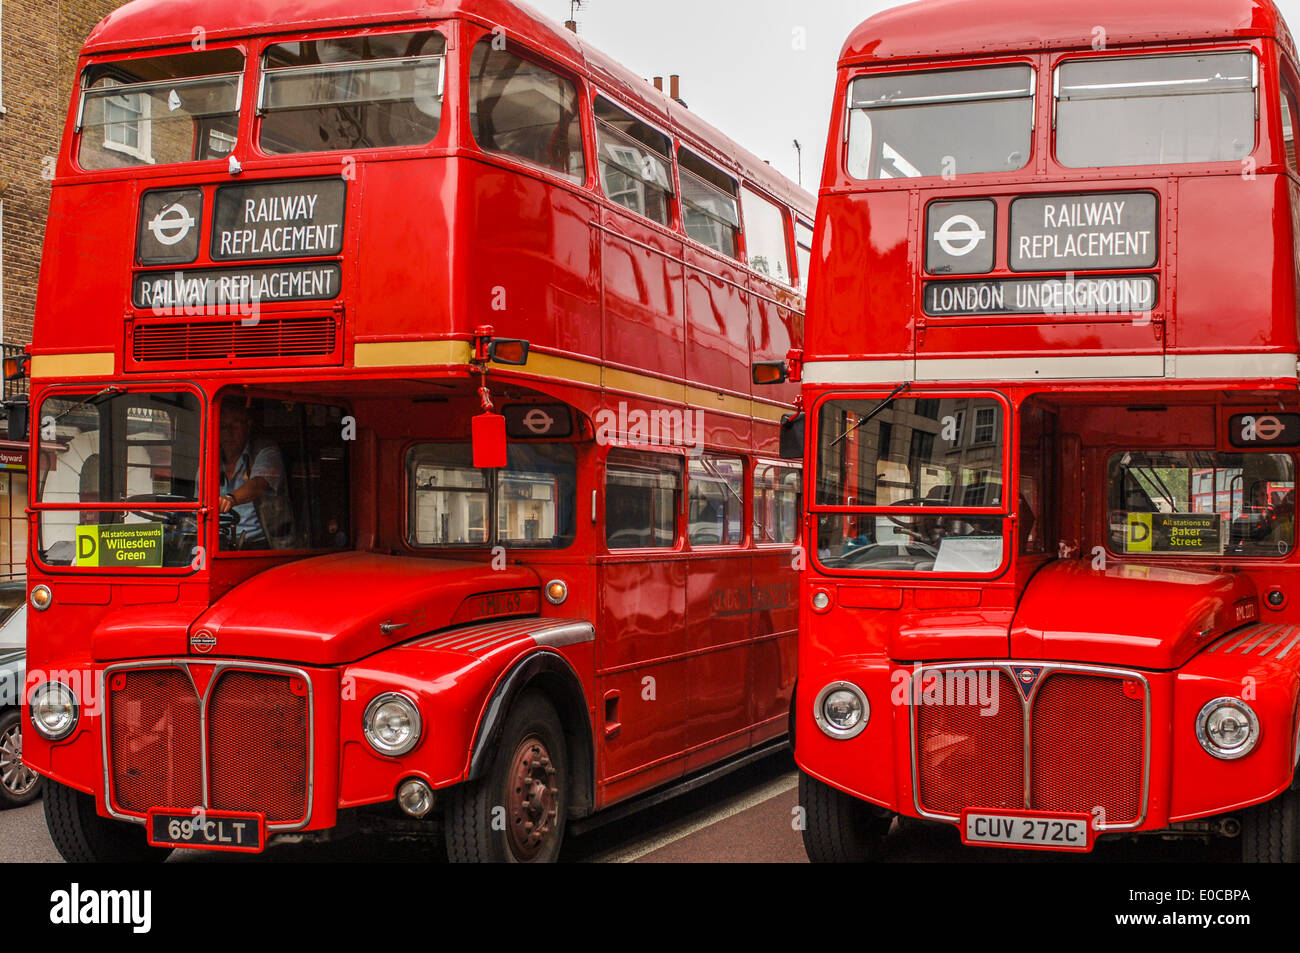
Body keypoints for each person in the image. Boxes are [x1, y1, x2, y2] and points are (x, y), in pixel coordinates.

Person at [219, 400, 287, 549]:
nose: (228, 433)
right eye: (223, 426)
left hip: (260, 544)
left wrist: (229, 499)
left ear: (247, 426)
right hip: (220, 543)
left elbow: (258, 484)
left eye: (235, 426)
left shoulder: (266, 452)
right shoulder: (210, 460)